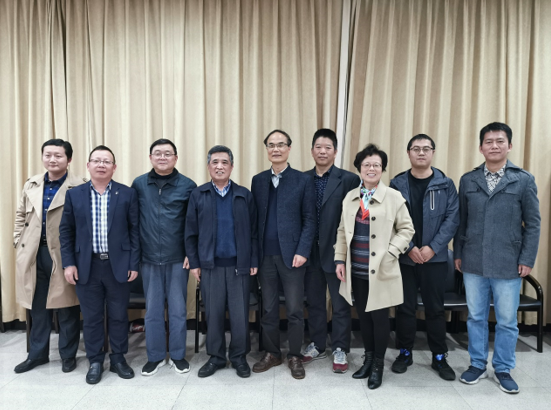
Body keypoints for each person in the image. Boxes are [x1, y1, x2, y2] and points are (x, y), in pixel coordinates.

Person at [454, 122, 540, 394]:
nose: (494, 146)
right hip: (474, 260)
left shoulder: (523, 180)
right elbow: (461, 221)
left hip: (508, 261)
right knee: (476, 317)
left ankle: (503, 368)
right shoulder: (468, 180)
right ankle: (477, 364)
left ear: (509, 145)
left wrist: (527, 258)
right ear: (481, 148)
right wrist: (458, 253)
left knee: (506, 320)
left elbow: (533, 223)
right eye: (488, 142)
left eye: (499, 141)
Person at [335, 143, 414, 389]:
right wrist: (339, 259)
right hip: (356, 269)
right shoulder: (350, 197)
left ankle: (378, 364)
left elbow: (407, 229)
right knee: (364, 317)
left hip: (381, 270)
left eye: (376, 165)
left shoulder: (393, 197)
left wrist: (391, 252)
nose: (371, 168)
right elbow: (342, 231)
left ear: (382, 169)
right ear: (359, 168)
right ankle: (368, 360)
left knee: (379, 319)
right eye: (367, 164)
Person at [60, 145, 140, 385]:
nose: (101, 165)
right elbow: (66, 232)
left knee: (118, 315)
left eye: (107, 161)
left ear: (114, 167)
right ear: (88, 165)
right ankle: (95, 360)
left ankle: (118, 359)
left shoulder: (127, 193)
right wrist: (68, 264)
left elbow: (135, 231)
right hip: (87, 266)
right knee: (92, 317)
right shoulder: (74, 195)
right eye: (97, 160)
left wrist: (133, 263)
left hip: (118, 265)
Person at [389, 134, 459, 380]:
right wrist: (409, 247)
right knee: (405, 308)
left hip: (434, 259)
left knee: (435, 309)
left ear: (433, 152)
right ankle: (405, 352)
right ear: (408, 153)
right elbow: (390, 219)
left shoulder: (445, 184)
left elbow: (452, 219)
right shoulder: (397, 183)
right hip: (405, 257)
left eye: (426, 148)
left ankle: (439, 356)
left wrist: (433, 248)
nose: (421, 152)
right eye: (416, 148)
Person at [185, 145, 258, 378]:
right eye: (215, 162)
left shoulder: (244, 195)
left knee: (239, 316)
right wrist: (194, 263)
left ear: (232, 166)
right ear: (208, 166)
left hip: (239, 266)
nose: (219, 166)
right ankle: (216, 358)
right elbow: (190, 233)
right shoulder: (198, 194)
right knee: (213, 314)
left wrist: (253, 259)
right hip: (211, 266)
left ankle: (239, 357)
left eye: (224, 162)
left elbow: (254, 232)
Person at [13, 139, 85, 374]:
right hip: (34, 252)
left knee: (67, 306)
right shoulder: (32, 184)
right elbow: (20, 214)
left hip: (64, 254)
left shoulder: (79, 186)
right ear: (43, 157)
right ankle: (37, 354)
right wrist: (18, 241)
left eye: (58, 155)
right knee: (38, 306)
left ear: (69, 159)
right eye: (48, 155)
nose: (52, 160)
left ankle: (67, 355)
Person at [251, 129, 316, 379]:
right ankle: (272, 353)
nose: (276, 149)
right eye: (271, 145)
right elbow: (254, 221)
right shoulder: (258, 180)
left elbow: (310, 220)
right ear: (267, 149)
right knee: (268, 308)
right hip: (265, 256)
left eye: (280, 144)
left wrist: (303, 251)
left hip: (293, 257)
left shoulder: (302, 180)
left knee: (294, 309)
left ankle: (295, 355)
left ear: (289, 148)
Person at [131, 139, 196, 376]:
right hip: (148, 258)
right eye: (157, 153)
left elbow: (193, 223)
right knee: (153, 311)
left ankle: (178, 356)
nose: (162, 157)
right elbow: (133, 221)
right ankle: (155, 356)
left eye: (167, 153)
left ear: (176, 158)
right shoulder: (139, 184)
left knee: (178, 310)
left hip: (178, 258)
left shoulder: (188, 185)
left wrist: (191, 252)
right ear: (150, 157)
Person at [302, 129, 360, 373]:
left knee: (340, 303)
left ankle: (340, 347)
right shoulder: (302, 179)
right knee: (314, 302)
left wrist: (345, 254)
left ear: (335, 152)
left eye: (328, 147)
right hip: (308, 252)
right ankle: (317, 344)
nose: (322, 151)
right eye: (318, 147)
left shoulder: (349, 180)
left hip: (337, 252)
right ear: (312, 151)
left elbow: (354, 219)